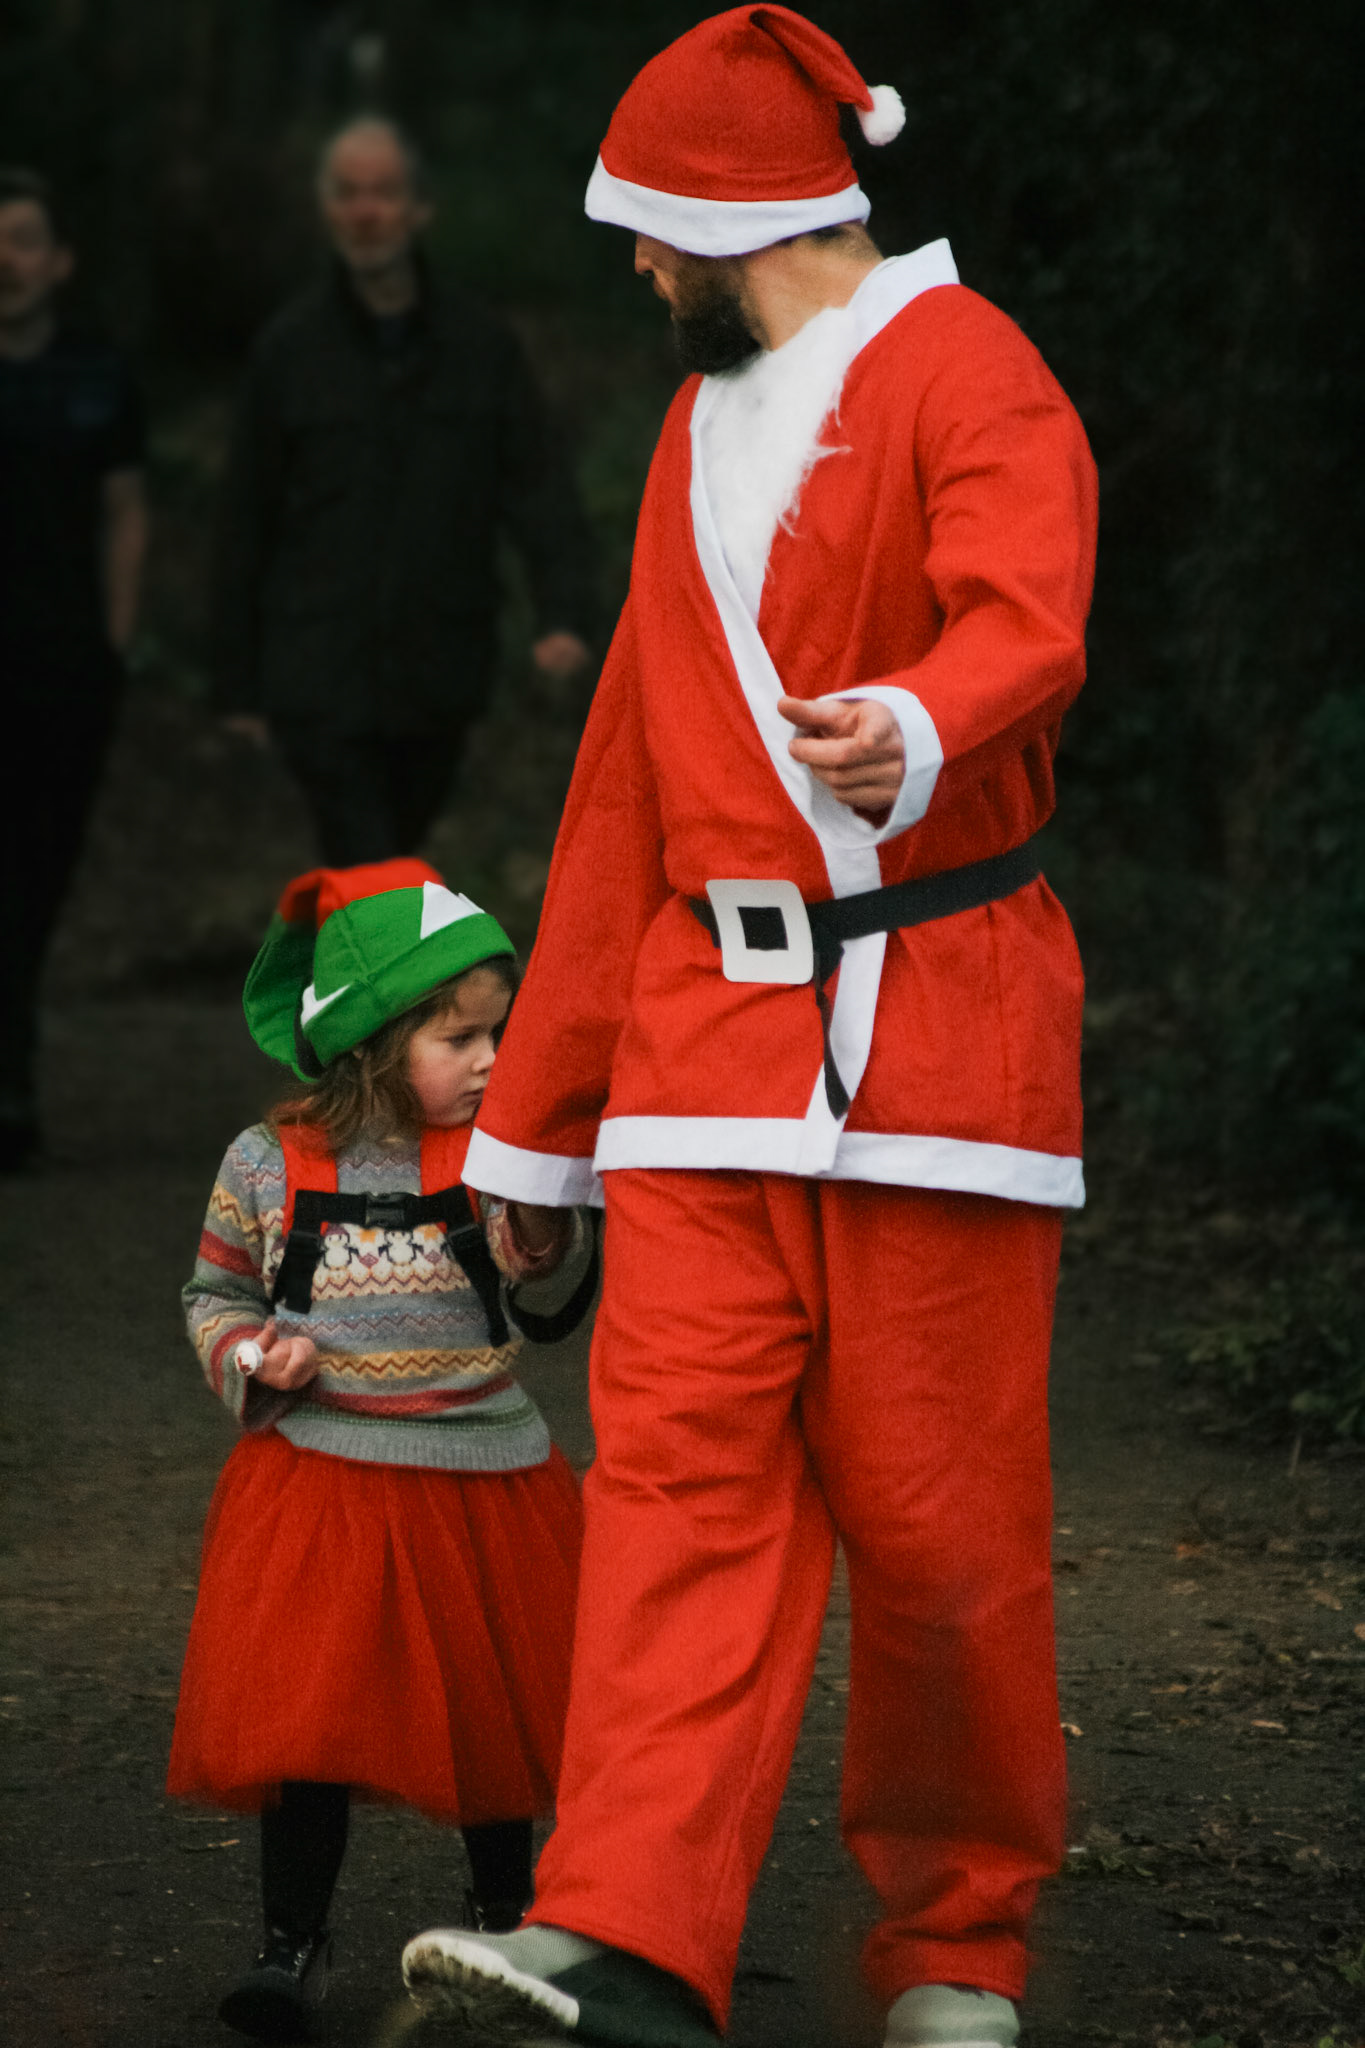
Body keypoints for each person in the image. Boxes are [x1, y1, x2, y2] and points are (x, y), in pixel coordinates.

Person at [399, 8, 1099, 2048]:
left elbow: (1027, 612)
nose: (635, 264)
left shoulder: (970, 368)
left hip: (940, 1038)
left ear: (736, 214)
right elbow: (624, 783)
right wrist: (538, 1128)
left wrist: (918, 722)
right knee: (671, 1499)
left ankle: (957, 1945)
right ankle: (623, 1926)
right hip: (706, 1058)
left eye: (647, 227)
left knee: (947, 1537)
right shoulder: (690, 432)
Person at [168, 857, 586, 2042]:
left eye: (501, 1031)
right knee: (308, 1719)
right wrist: (252, 1355)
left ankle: (508, 1920)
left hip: (480, 1473)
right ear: (371, 1043)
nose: (492, 1058)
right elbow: (213, 1291)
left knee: (495, 1710)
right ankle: (290, 1938)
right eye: (461, 1037)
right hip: (324, 1479)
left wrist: (540, 1195)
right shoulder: (268, 1162)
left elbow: (536, 1258)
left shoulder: (497, 1147)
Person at [213, 115, 597, 865]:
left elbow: (538, 487)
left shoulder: (479, 346)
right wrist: (237, 684)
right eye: (348, 193)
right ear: (325, 208)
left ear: (419, 208)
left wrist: (564, 614)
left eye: (384, 193)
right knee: (370, 863)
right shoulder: (288, 352)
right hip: (318, 670)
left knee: (390, 852)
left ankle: (346, 943)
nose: (366, 212)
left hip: (437, 669)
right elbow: (244, 519)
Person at [0, 167, 147, 1170]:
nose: (6, 260)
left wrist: (114, 644)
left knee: (39, 869)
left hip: (60, 671)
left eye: (23, 240)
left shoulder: (98, 375)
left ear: (59, 262)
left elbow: (126, 511)